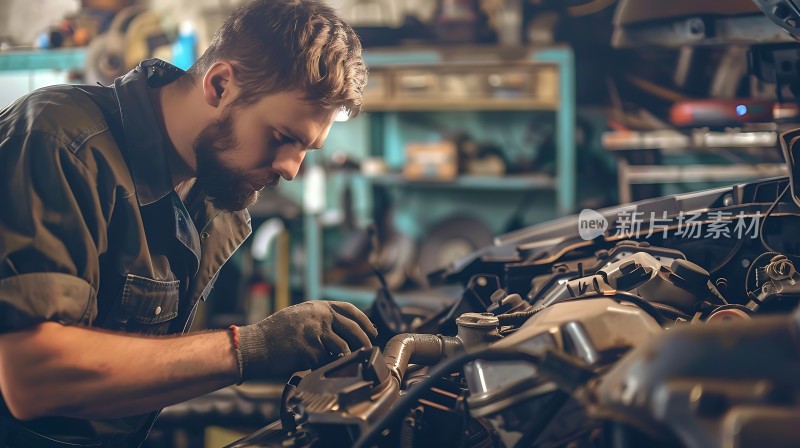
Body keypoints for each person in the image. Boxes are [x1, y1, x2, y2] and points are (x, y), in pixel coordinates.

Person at [0, 0, 375, 446]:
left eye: (306, 149)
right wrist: (250, 347)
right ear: (219, 85)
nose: (291, 168)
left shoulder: (213, 194)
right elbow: (32, 380)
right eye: (283, 137)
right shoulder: (60, 141)